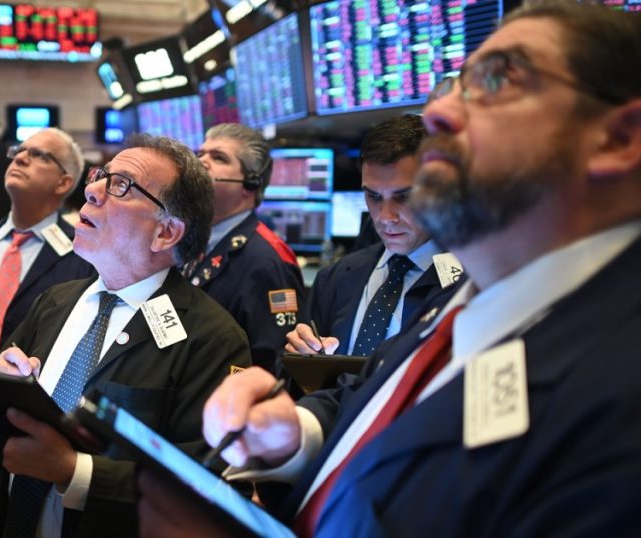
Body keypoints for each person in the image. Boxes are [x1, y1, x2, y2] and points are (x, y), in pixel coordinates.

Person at [141, 2, 641, 535]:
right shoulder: (470, 299)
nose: (440, 112)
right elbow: (374, 395)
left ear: (618, 139)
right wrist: (296, 434)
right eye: (457, 87)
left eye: (498, 81)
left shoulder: (621, 385)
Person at [0, 134, 252, 538]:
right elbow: (1, 433)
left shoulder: (212, 339)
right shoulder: (54, 302)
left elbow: (212, 489)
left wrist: (75, 472)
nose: (91, 190)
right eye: (101, 176)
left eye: (122, 186)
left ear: (166, 233)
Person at [0, 127, 94, 538]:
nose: (20, 158)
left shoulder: (82, 254)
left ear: (64, 182)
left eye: (39, 155)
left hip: (40, 440)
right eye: (19, 151)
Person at [285, 114, 453, 361]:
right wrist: (299, 358)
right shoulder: (334, 279)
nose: (385, 217)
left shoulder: (466, 285)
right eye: (373, 196)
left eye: (404, 197)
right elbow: (295, 376)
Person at [192, 123, 306, 373]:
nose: (201, 162)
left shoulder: (268, 260)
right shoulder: (189, 241)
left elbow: (272, 364)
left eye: (218, 157)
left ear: (251, 183)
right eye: (200, 153)